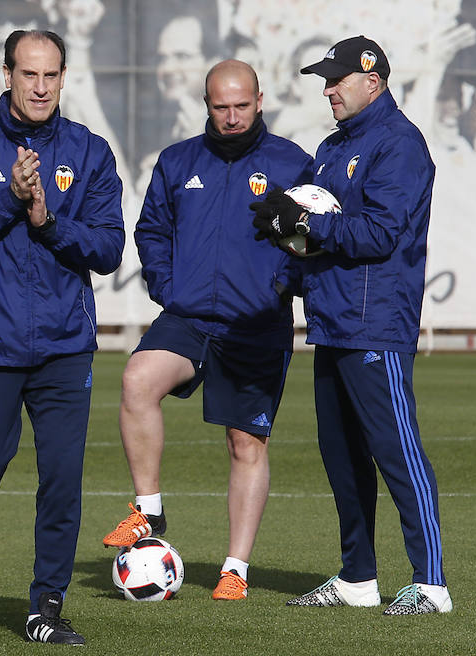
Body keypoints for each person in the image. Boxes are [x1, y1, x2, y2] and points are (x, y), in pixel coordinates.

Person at [0, 29, 124, 644]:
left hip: (64, 347)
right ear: (6, 73)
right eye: (28, 74)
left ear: (64, 78)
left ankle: (46, 609)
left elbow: (109, 248)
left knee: (62, 479)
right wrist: (8, 201)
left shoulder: (88, 151)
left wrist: (48, 221)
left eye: (51, 75)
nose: (40, 87)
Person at [251, 36, 452, 615]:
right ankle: (358, 578)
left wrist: (308, 222)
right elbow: (314, 235)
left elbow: (379, 234)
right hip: (332, 319)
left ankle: (431, 584)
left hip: (376, 323)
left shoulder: (400, 145)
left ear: (374, 80)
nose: (328, 88)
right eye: (325, 78)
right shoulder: (333, 146)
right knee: (340, 456)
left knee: (397, 451)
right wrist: (284, 235)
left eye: (338, 79)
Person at [102, 59, 315, 600]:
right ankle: (148, 509)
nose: (232, 116)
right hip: (190, 314)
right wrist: (168, 288)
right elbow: (151, 230)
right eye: (221, 107)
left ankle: (235, 569)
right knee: (137, 380)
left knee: (245, 442)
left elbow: (312, 239)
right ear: (206, 105)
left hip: (256, 323)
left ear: (260, 100)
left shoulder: (293, 163)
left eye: (242, 105)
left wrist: (279, 285)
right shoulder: (177, 162)